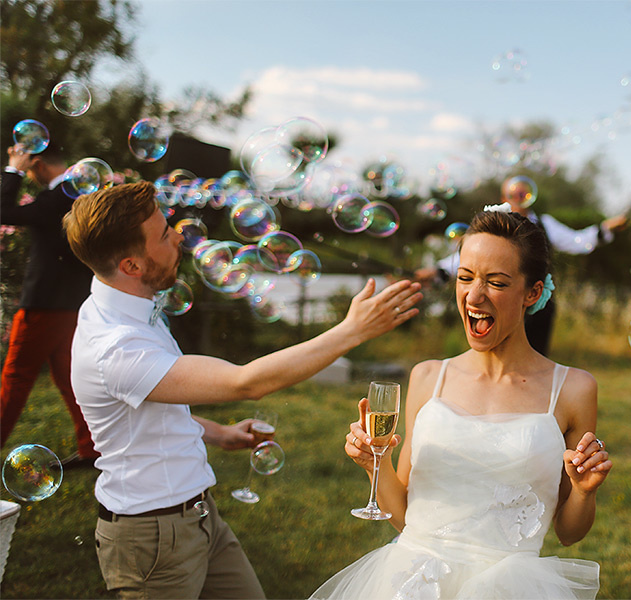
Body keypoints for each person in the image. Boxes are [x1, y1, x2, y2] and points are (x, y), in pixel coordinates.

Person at [62, 181, 423, 599]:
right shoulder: (115, 347)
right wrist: (351, 331)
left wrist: (218, 432)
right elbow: (245, 382)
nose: (178, 235)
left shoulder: (123, 306)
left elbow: (143, 410)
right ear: (131, 266)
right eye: (163, 234)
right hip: (153, 536)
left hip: (199, 514)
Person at [312, 204, 612, 599]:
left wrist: (584, 492)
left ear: (532, 292)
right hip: (411, 584)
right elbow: (404, 516)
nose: (474, 295)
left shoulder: (573, 389)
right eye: (465, 277)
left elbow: (569, 532)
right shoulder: (426, 377)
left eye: (497, 283)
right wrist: (374, 464)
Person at [416, 175, 627, 355]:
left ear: (530, 197)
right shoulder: (493, 227)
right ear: (503, 198)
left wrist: (605, 228)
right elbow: (469, 259)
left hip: (539, 307)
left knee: (535, 353)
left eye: (522, 193)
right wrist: (438, 271)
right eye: (513, 193)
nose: (518, 197)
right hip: (500, 303)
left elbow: (577, 242)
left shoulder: (545, 224)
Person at [1, 141, 97, 466]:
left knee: (16, 376)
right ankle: (92, 448)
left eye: (29, 169)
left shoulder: (54, 198)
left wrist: (12, 168)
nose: (30, 175)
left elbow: (3, 211)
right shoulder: (83, 194)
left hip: (43, 306)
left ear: (38, 164)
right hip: (75, 305)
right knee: (73, 379)